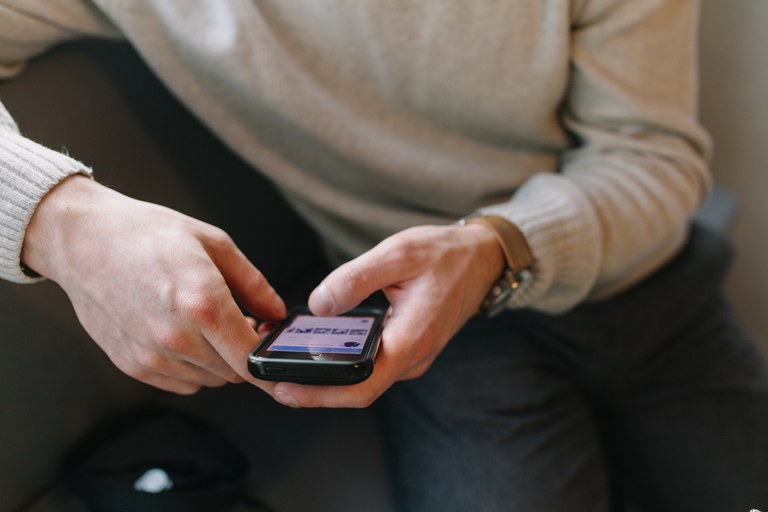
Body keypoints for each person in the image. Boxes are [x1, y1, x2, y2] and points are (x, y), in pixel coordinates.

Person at [1, 1, 766, 510]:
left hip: (656, 295)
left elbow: (654, 156)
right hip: (445, 348)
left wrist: (496, 248)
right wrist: (62, 221)